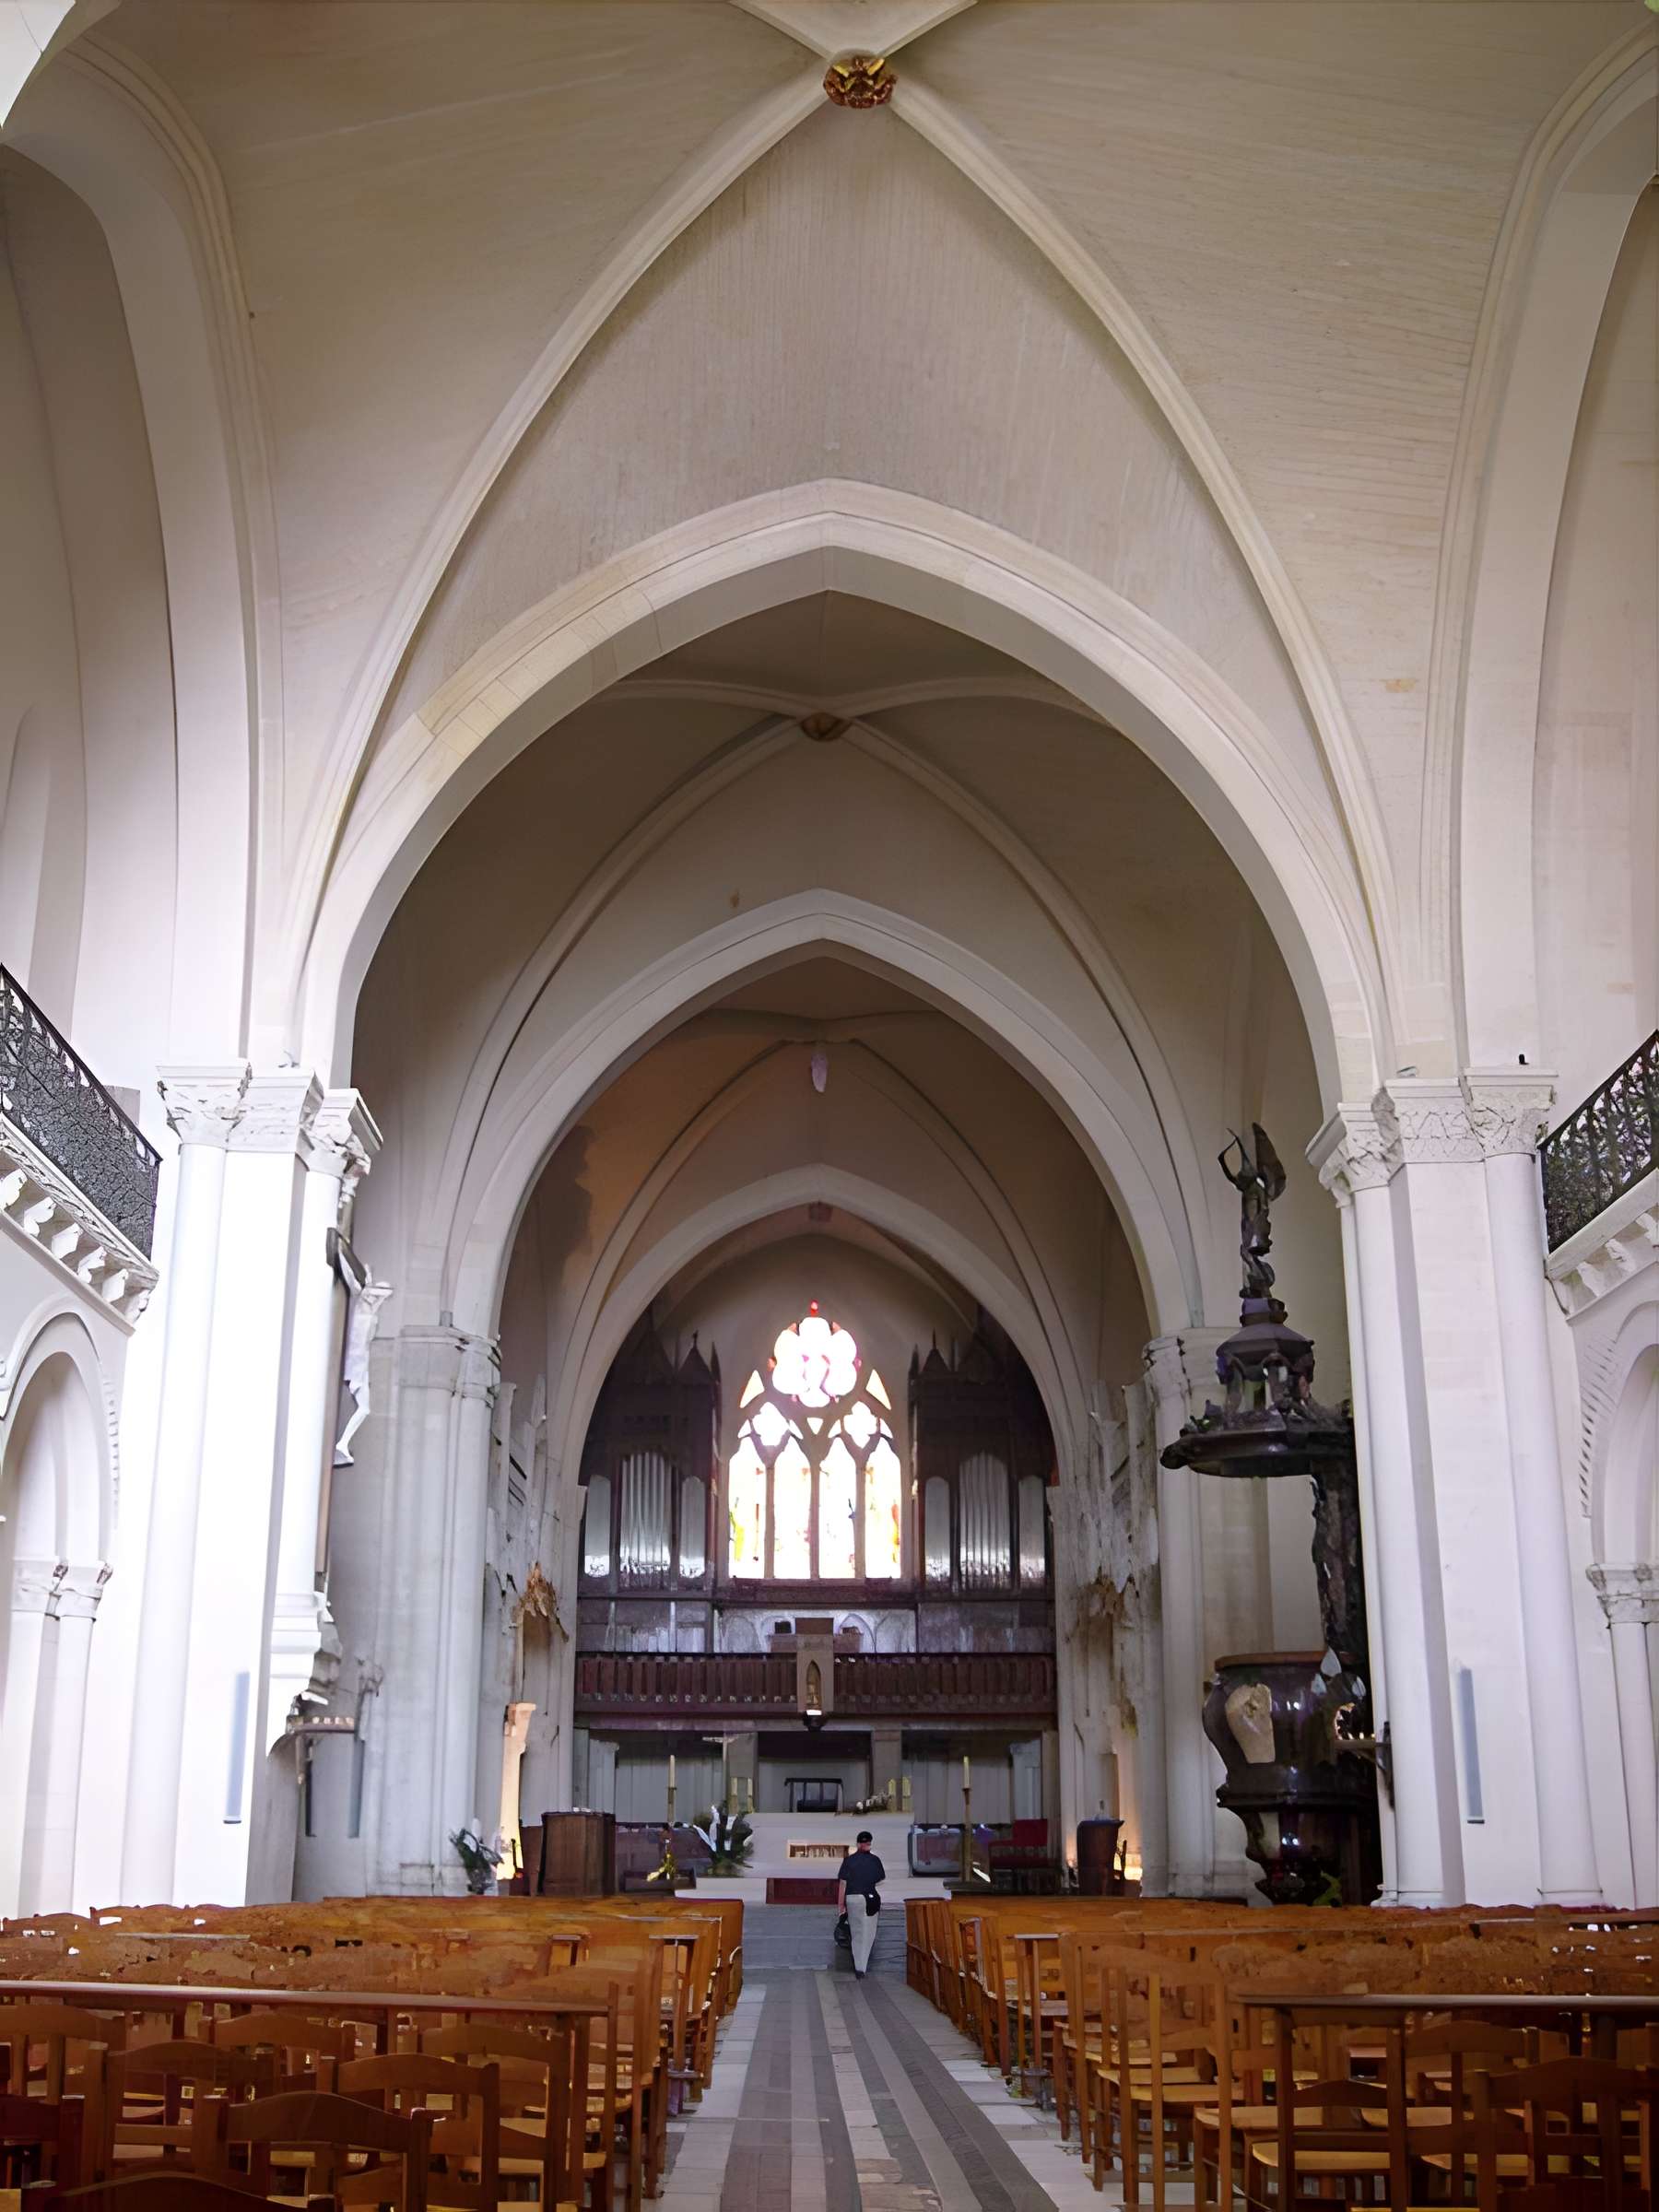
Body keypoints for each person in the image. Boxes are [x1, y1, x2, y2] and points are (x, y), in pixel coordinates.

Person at [836, 1830, 885, 1980]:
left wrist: (840, 1905)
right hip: (870, 1899)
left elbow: (842, 1884)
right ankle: (862, 1965)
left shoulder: (849, 1861)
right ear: (869, 1844)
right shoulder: (875, 1860)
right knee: (868, 1933)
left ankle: (859, 1967)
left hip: (852, 1898)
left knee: (856, 1933)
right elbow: (880, 1879)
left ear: (858, 1844)